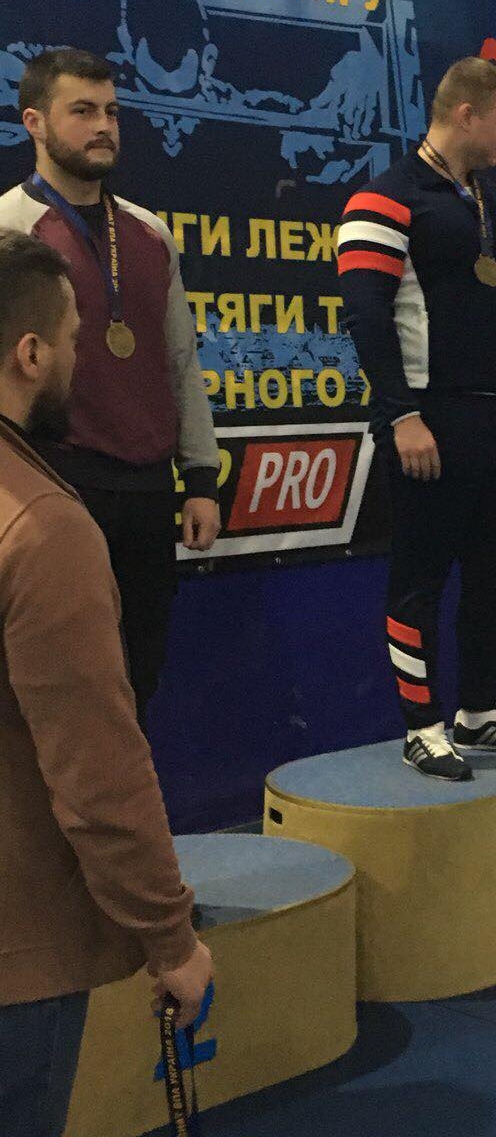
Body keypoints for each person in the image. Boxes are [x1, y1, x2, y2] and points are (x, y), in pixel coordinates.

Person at [0, 230, 213, 1137]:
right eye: (75, 340)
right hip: (20, 956)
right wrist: (171, 938)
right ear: (31, 354)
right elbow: (97, 774)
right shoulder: (45, 530)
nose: (83, 361)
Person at [338, 57, 496, 781]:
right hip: (430, 420)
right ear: (465, 114)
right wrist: (402, 416)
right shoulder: (382, 201)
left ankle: (478, 712)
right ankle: (422, 727)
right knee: (419, 580)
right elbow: (367, 319)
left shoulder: (490, 208)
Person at [0, 47, 221, 725]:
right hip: (51, 484)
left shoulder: (151, 234)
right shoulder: (8, 229)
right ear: (35, 122)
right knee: (57, 684)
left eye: (112, 112)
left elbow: (178, 359)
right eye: (83, 111)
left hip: (148, 491)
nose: (103, 127)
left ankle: (127, 798)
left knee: (138, 677)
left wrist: (201, 478)